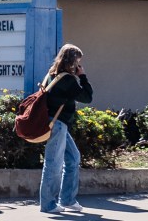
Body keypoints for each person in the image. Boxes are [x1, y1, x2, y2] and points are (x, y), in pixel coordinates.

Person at [38, 43, 93, 214]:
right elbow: (87, 97)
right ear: (72, 61)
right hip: (57, 124)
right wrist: (82, 77)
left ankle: (68, 199)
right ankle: (48, 204)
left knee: (73, 158)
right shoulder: (68, 80)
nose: (79, 65)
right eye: (78, 62)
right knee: (53, 163)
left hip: (55, 123)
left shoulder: (51, 75)